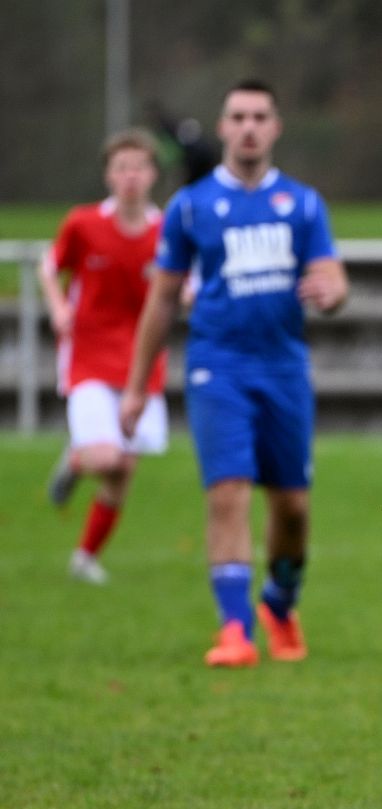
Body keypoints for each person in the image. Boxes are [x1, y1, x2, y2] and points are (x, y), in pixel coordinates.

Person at [121, 78, 349, 667]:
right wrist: (135, 386)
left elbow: (333, 278)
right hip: (216, 368)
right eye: (238, 117)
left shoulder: (301, 203)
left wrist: (330, 292)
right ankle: (234, 630)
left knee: (292, 510)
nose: (248, 127)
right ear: (223, 127)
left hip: (283, 369)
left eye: (259, 117)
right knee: (227, 494)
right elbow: (162, 300)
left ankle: (279, 601)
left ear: (274, 128)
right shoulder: (191, 206)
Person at [40, 130, 171, 585]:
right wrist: (58, 306)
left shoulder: (167, 231)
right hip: (89, 355)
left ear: (152, 174)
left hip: (142, 361)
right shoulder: (83, 224)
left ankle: (84, 557)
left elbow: (183, 285)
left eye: (138, 167)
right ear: (109, 175)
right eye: (121, 168)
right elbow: (49, 265)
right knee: (107, 459)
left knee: (124, 468)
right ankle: (77, 461)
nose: (130, 176)